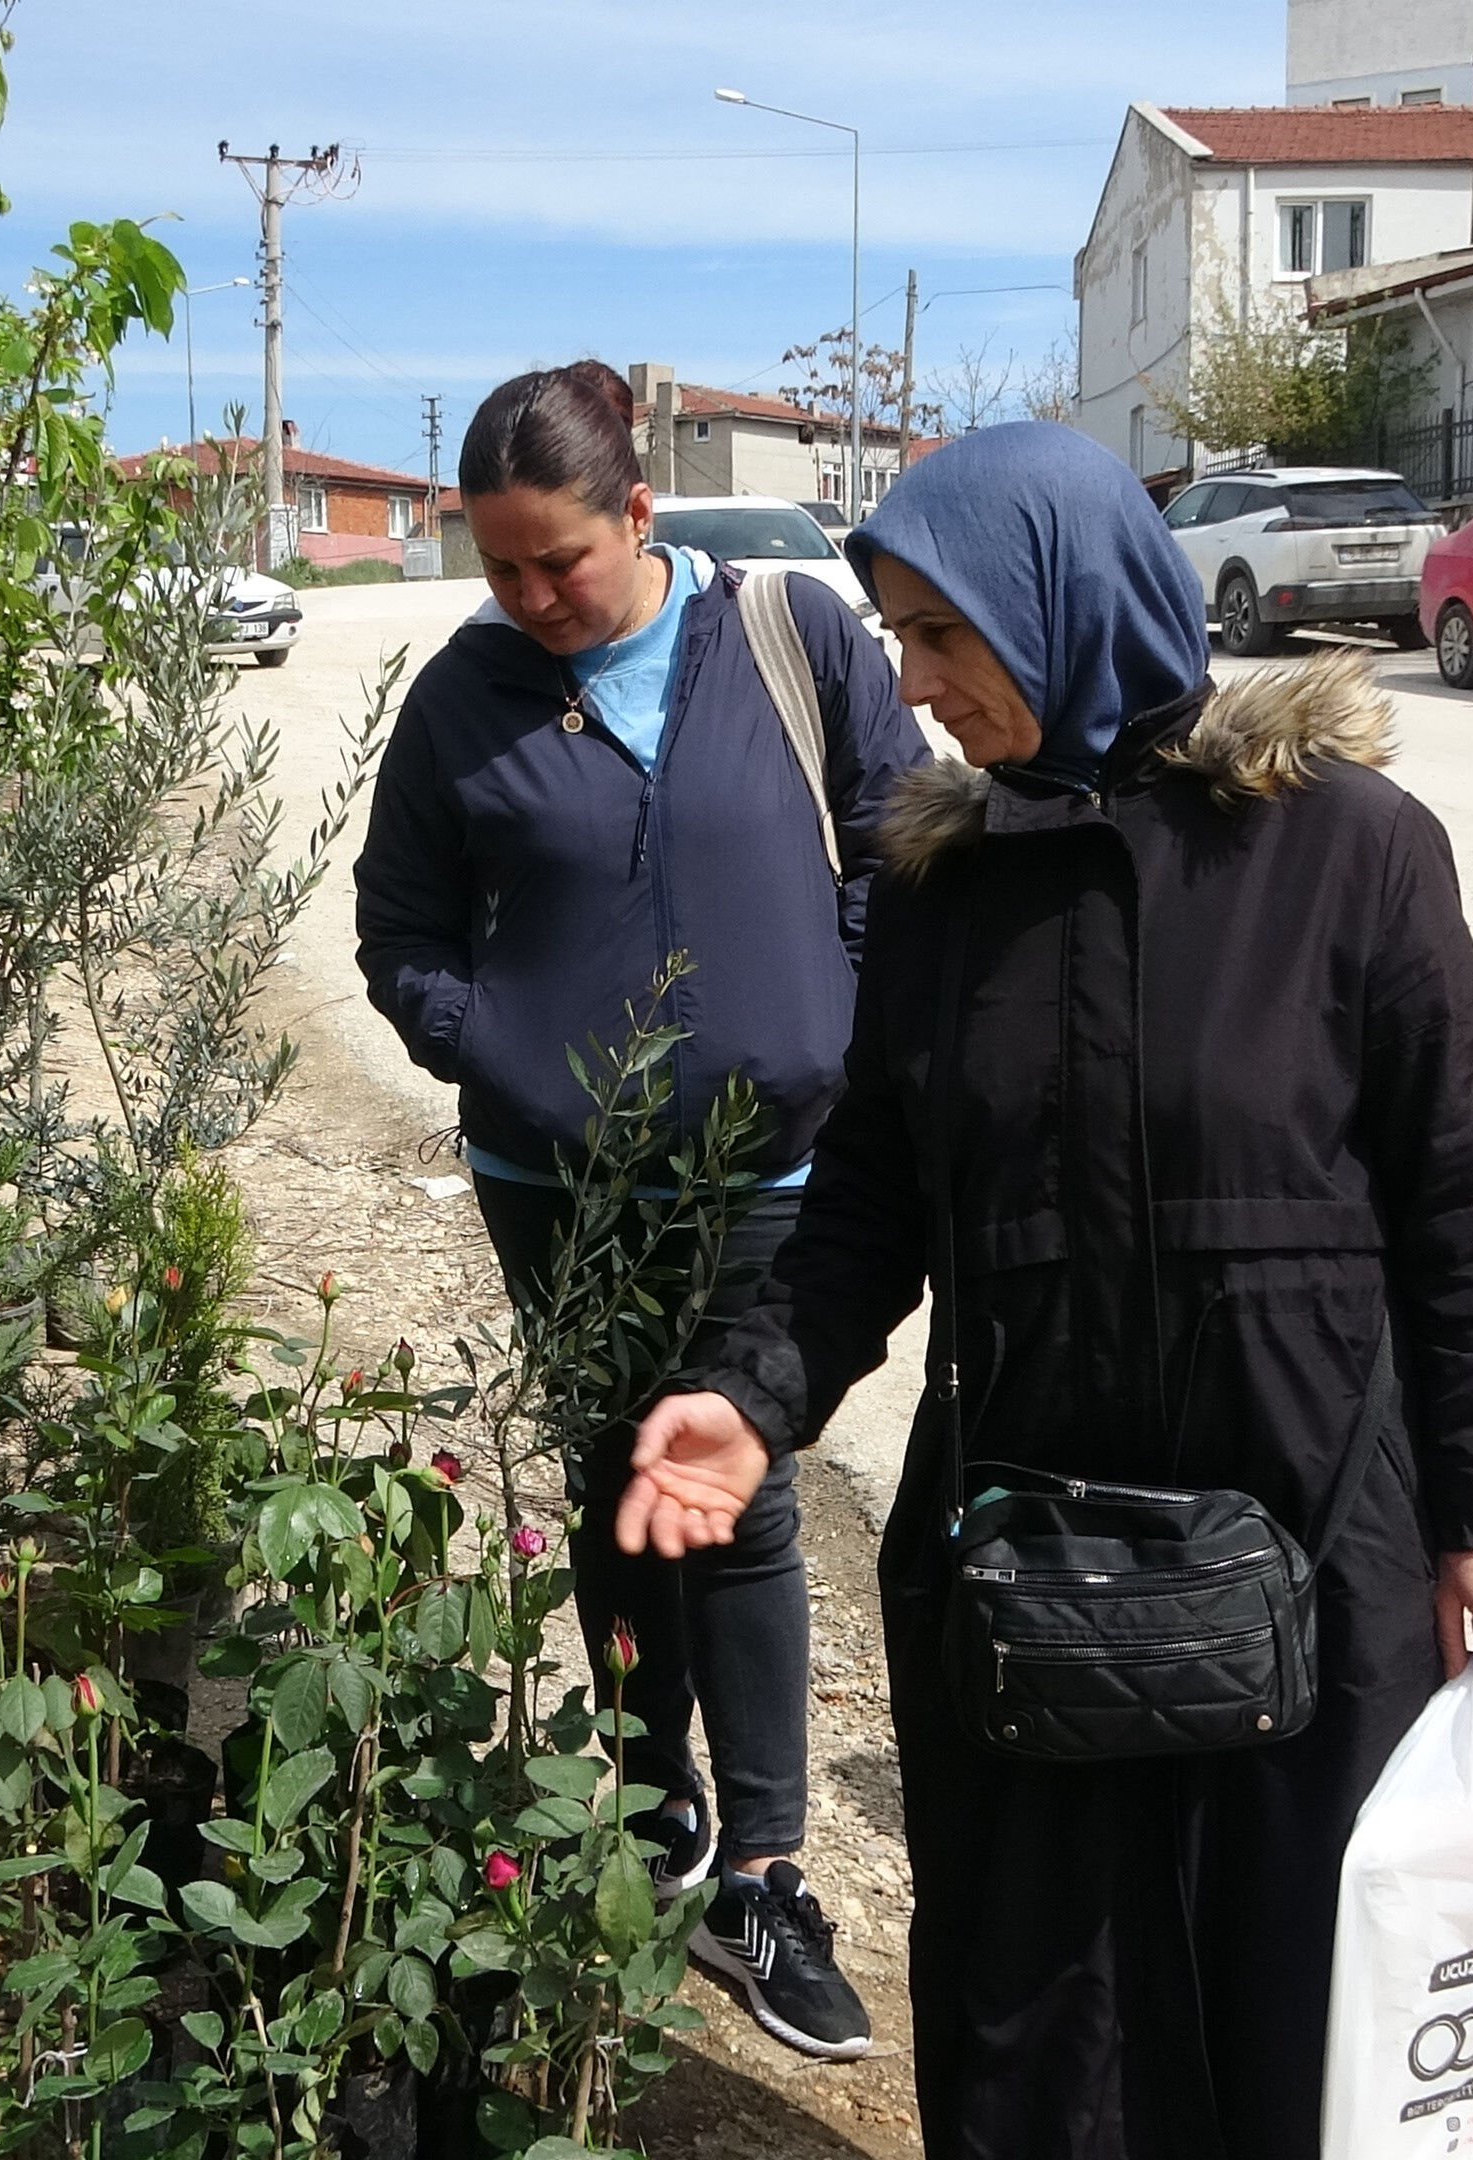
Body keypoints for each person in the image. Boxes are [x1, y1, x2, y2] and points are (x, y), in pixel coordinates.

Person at [617, 422, 1473, 2158]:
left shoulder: (1347, 849)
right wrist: (753, 1395)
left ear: (1061, 602)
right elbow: (871, 1206)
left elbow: (1465, 1197)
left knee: (1306, 2007)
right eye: (895, 637)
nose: (910, 687)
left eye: (942, 633)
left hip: (1314, 1535)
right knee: (1049, 2020)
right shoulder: (940, 891)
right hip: (1029, 1548)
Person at [351, 360, 925, 2060]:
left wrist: (842, 1029)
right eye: (498, 568)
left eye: (558, 565)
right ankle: (643, 1799)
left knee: (733, 1497)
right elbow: (401, 931)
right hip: (561, 1188)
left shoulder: (790, 641)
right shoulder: (467, 700)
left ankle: (760, 1871)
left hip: (772, 1179)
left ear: (638, 514)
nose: (530, 600)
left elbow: (899, 852)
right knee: (614, 1481)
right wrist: (502, 1052)